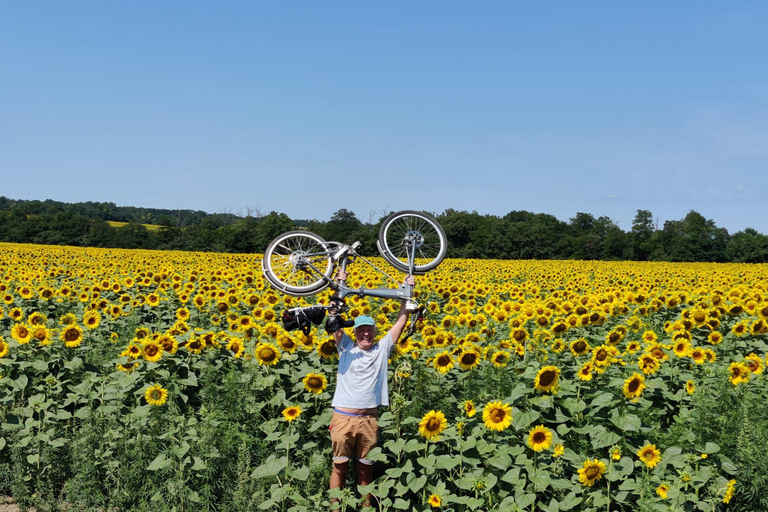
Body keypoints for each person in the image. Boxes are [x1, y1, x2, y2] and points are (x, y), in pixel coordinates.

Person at [325, 270, 416, 508]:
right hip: (343, 418)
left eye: (370, 329)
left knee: (366, 470)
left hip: (369, 420)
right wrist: (340, 283)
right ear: (355, 333)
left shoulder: (381, 350)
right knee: (340, 466)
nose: (366, 333)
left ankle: (365, 507)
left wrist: (408, 292)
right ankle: (336, 507)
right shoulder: (345, 347)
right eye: (361, 329)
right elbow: (334, 318)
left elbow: (401, 321)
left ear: (375, 332)